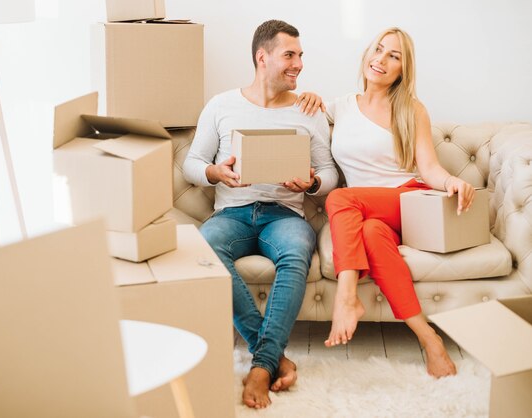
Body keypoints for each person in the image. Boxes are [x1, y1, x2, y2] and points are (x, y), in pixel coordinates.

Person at [298, 27, 474, 377]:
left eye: (394, 56)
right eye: (378, 50)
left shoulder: (411, 109)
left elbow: (429, 167)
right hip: (370, 213)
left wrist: (452, 180)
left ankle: (347, 297)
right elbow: (302, 117)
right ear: (366, 54)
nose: (381, 59)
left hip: (407, 200)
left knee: (341, 198)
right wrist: (310, 97)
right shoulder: (342, 106)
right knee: (373, 234)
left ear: (403, 70)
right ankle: (430, 340)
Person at [183, 20, 338, 408]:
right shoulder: (221, 105)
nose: (299, 64)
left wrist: (313, 183)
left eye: (300, 56)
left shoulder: (308, 110)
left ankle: (260, 366)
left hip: (284, 216)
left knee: (296, 252)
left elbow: (330, 174)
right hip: (231, 214)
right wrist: (215, 172)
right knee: (205, 248)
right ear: (262, 57)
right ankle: (268, 359)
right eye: (290, 55)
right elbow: (192, 163)